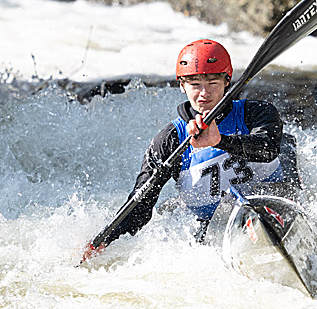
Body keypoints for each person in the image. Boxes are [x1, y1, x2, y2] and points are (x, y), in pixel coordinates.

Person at [98, 39, 302, 248]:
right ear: (182, 86)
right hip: (215, 227)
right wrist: (103, 245)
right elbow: (140, 205)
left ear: (227, 82)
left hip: (273, 206)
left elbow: (268, 149)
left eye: (213, 83)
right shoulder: (170, 140)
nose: (204, 93)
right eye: (195, 84)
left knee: (285, 147)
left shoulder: (256, 112)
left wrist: (220, 141)